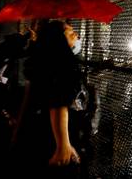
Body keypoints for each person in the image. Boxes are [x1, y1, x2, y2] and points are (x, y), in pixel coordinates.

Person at [9, 20, 84, 179]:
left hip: (34, 129)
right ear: (58, 38)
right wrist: (63, 145)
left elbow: (28, 99)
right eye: (70, 32)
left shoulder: (41, 60)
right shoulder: (61, 63)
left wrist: (18, 131)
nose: (76, 35)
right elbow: (58, 104)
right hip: (51, 136)